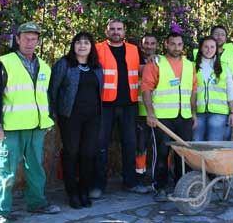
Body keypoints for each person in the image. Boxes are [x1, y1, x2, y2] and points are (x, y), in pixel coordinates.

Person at [0, 22, 60, 223]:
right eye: (26, 38)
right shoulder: (6, 62)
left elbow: (47, 96)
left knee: (36, 168)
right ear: (17, 39)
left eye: (34, 38)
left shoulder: (44, 66)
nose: (30, 42)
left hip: (36, 128)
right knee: (6, 170)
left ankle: (37, 203)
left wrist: (47, 120)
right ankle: (0, 212)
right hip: (10, 129)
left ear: (38, 41)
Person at [93, 19, 148, 197]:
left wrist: (154, 63)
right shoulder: (97, 48)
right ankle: (98, 185)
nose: (116, 32)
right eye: (113, 29)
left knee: (130, 145)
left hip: (129, 105)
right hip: (105, 105)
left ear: (125, 31)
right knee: (100, 145)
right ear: (107, 31)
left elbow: (142, 70)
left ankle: (130, 183)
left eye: (119, 29)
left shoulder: (134, 49)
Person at [49, 32, 103, 209]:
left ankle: (83, 191)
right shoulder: (64, 64)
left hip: (93, 118)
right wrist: (53, 114)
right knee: (71, 153)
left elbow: (99, 92)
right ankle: (72, 193)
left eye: (86, 43)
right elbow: (53, 91)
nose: (82, 46)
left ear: (91, 46)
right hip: (70, 117)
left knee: (88, 154)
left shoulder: (96, 67)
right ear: (73, 46)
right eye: (78, 43)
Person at [142, 32, 197, 202]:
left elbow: (193, 91)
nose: (176, 48)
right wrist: (150, 113)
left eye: (179, 44)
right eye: (172, 44)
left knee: (184, 153)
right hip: (162, 117)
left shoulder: (189, 65)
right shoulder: (156, 63)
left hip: (184, 116)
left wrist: (193, 113)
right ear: (166, 44)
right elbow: (146, 89)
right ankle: (160, 186)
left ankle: (182, 184)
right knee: (162, 153)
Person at [193, 36, 233, 141]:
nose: (209, 50)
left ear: (216, 49)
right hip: (198, 113)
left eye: (212, 47)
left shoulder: (224, 67)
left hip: (219, 114)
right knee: (196, 145)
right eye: (206, 47)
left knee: (213, 146)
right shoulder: (192, 67)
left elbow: (231, 91)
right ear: (201, 48)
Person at [209, 25, 233, 140]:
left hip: (224, 105)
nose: (219, 37)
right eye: (216, 34)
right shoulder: (198, 53)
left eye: (222, 35)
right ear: (211, 36)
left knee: (224, 140)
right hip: (203, 106)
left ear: (226, 38)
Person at [135, 34, 158, 185]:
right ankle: (140, 176)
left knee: (159, 146)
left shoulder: (162, 61)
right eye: (146, 43)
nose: (149, 46)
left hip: (159, 111)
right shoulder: (134, 61)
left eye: (152, 43)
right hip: (139, 111)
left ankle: (160, 175)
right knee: (140, 146)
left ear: (157, 45)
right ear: (141, 45)